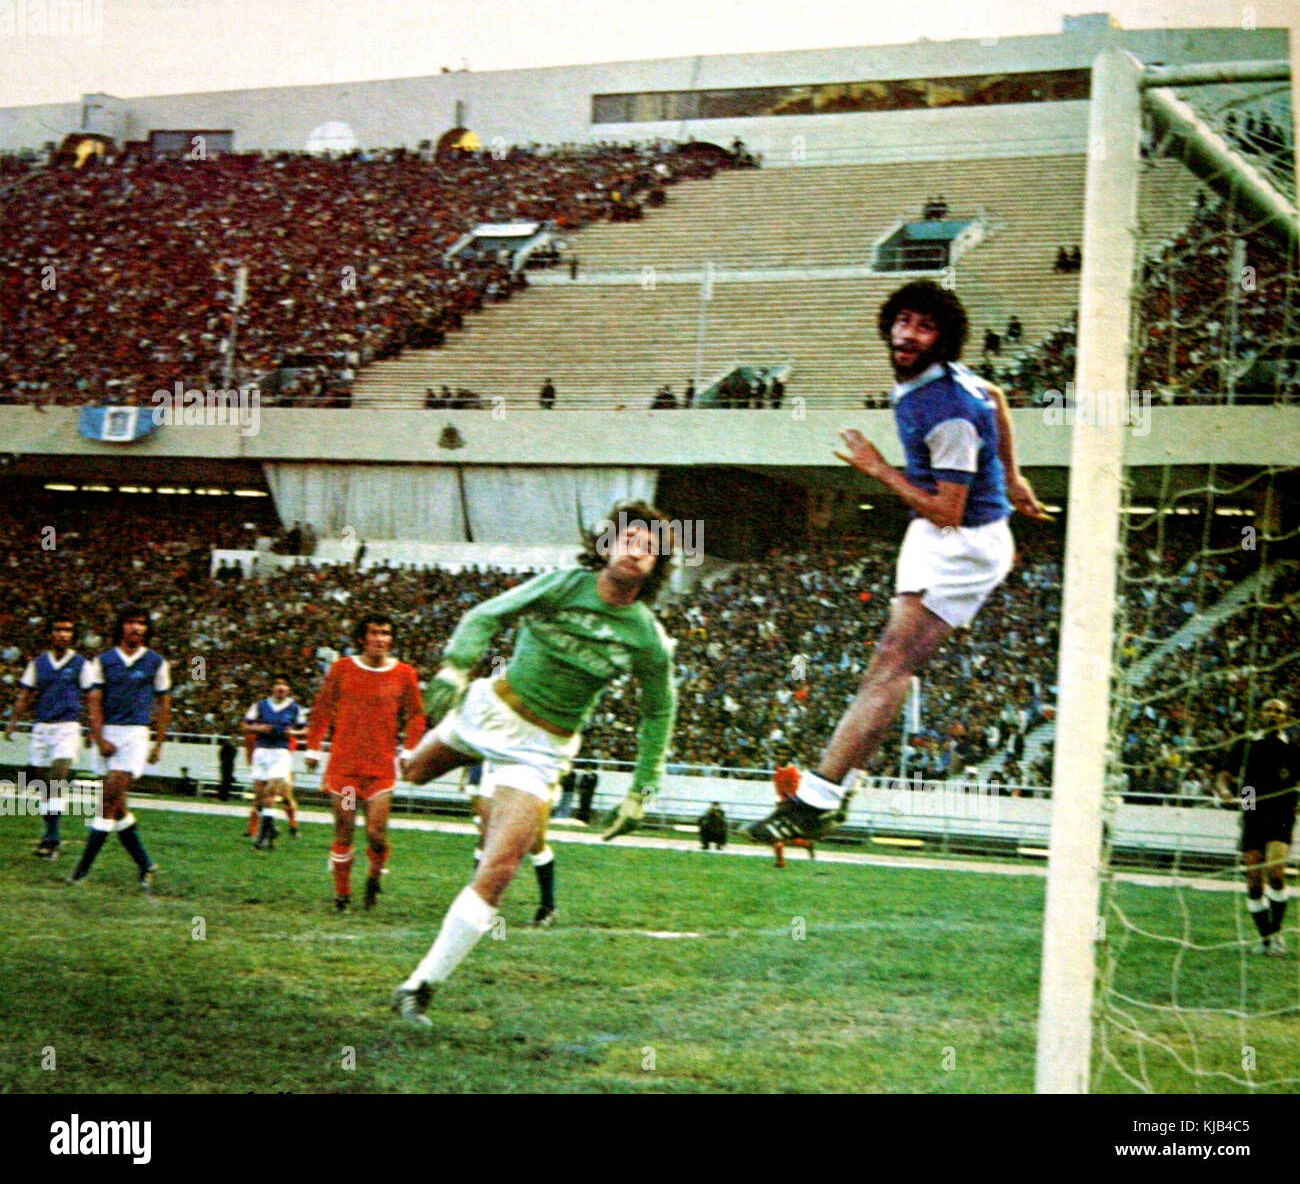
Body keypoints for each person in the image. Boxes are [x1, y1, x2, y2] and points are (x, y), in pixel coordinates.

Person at [747, 280, 1049, 846]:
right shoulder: (938, 384)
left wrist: (878, 469)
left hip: (963, 543)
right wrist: (1012, 476)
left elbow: (949, 512)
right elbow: (999, 396)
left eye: (925, 326)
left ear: (943, 339)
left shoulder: (950, 414)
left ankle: (816, 801)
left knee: (891, 664)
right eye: (904, 320)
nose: (908, 334)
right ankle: (842, 782)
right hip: (936, 534)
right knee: (885, 669)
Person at [392, 500, 677, 1025]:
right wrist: (456, 668)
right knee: (408, 775)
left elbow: (658, 711)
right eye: (628, 540)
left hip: (539, 749)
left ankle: (419, 985)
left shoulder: (646, 638)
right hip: (489, 710)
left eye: (649, 548)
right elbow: (487, 614)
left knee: (499, 869)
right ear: (606, 545)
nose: (635, 552)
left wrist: (643, 788)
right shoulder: (563, 584)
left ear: (658, 566)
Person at [305, 614, 427, 913]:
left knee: (376, 833)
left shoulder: (404, 673)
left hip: (380, 771)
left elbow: (416, 714)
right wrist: (313, 746)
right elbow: (322, 709)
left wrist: (410, 748)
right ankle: (342, 895)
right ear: (362, 637)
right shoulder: (343, 669)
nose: (380, 638)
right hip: (346, 769)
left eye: (386, 633)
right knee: (345, 830)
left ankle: (373, 878)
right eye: (374, 632)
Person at [69, 606, 170, 890]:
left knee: (107, 800)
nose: (136, 628)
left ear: (147, 629)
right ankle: (146, 864)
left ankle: (81, 871)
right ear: (121, 627)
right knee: (117, 804)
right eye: (130, 623)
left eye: (141, 623)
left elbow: (164, 706)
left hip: (135, 735)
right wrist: (99, 738)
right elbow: (94, 703)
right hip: (108, 732)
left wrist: (158, 743)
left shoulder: (157, 663)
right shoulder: (102, 662)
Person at [1213, 698, 1299, 956]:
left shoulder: (1294, 749)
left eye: (1279, 711)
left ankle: (1276, 933)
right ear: (1260, 714)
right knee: (1253, 881)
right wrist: (1224, 790)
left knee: (1275, 871)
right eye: (1269, 709)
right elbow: (1225, 775)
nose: (1273, 714)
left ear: (1286, 718)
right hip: (1251, 804)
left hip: (1282, 811)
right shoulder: (1246, 744)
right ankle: (1266, 939)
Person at [5, 614, 86, 859]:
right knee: (44, 786)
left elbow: (93, 696)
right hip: (42, 727)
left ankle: (52, 839)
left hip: (68, 726)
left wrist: (94, 727)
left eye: (68, 629)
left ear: (73, 635)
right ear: (50, 634)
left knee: (57, 778)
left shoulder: (82, 664)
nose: (63, 634)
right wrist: (13, 722)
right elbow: (26, 694)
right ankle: (50, 835)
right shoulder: (38, 663)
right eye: (59, 629)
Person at [242, 674, 308, 849]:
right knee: (260, 795)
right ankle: (270, 830)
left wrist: (294, 734)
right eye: (277, 684)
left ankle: (263, 837)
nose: (281, 688)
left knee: (272, 792)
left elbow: (306, 729)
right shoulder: (259, 705)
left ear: (289, 689)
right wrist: (259, 728)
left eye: (284, 685)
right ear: (272, 688)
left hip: (280, 752)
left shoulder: (295, 708)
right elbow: (245, 726)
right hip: (261, 751)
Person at [770, 751, 815, 868]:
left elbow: (794, 792)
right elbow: (778, 787)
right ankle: (806, 844)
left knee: (777, 835)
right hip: (781, 805)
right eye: (778, 754)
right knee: (782, 836)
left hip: (790, 807)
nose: (780, 756)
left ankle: (781, 862)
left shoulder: (793, 771)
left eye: (783, 754)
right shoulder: (778, 769)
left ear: (789, 757)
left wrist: (785, 802)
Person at [217, 735, 237, 802]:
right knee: (225, 781)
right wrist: (224, 761)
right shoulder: (227, 745)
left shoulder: (233, 747)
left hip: (229, 766)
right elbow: (221, 754)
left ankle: (224, 796)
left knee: (227, 781)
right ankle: (222, 796)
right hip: (226, 765)